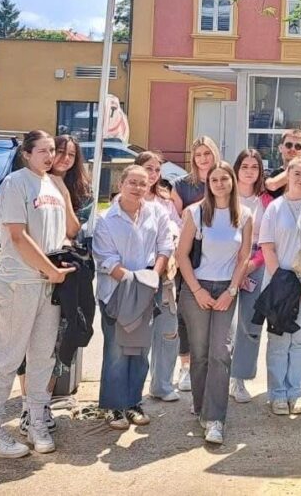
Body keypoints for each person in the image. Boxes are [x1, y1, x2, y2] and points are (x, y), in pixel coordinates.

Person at [0, 131, 76, 459]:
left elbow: (66, 232)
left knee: (42, 356)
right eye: (43, 151)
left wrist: (59, 265)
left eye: (52, 150)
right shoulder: (15, 183)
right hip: (21, 282)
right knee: (8, 357)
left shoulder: (52, 185)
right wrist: (48, 269)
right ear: (27, 154)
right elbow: (18, 236)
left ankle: (36, 423)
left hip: (49, 283)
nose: (50, 156)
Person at [175, 160, 253, 446]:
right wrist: (197, 291)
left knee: (221, 351)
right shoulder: (195, 212)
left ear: (232, 181)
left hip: (226, 290)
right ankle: (201, 407)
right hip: (197, 288)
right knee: (200, 353)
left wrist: (231, 290)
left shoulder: (244, 215)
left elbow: (244, 256)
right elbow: (181, 255)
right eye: (214, 180)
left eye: (224, 179)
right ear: (208, 184)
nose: (220, 184)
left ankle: (215, 419)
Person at [93, 165, 175, 433]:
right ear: (121, 183)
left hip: (148, 290)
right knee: (116, 350)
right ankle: (113, 406)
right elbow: (106, 260)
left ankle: (133, 403)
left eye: (143, 183)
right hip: (116, 292)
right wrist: (136, 283)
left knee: (140, 350)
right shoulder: (106, 219)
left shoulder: (157, 212)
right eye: (132, 182)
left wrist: (152, 278)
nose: (138, 188)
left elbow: (165, 247)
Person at [258, 156, 301, 415]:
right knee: (278, 339)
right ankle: (277, 393)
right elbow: (267, 247)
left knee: (300, 339)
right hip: (280, 282)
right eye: (297, 173)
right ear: (287, 175)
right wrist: (282, 283)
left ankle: (295, 392)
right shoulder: (274, 208)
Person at [171, 136, 222, 393]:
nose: (203, 159)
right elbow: (176, 218)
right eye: (198, 154)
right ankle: (185, 366)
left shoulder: (223, 179)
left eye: (207, 153)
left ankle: (211, 366)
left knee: (217, 314)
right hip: (189, 254)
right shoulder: (182, 185)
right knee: (185, 312)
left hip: (218, 256)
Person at [229, 149, 273, 404]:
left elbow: (269, 241)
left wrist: (249, 266)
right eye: (244, 166)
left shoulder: (266, 201)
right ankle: (218, 377)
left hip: (255, 265)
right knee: (224, 326)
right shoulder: (225, 196)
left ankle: (240, 378)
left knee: (250, 324)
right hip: (225, 266)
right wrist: (236, 268)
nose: (249, 171)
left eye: (254, 167)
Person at [139, 150, 182, 404]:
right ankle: (133, 389)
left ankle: (162, 384)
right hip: (139, 276)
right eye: (149, 168)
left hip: (166, 276)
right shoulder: (127, 199)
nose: (154, 174)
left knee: (168, 331)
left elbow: (179, 228)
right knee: (138, 336)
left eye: (157, 170)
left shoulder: (166, 201)